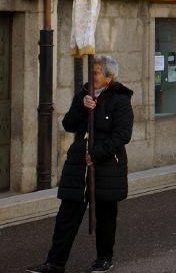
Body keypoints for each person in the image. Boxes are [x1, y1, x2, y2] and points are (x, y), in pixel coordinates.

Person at [28, 56, 133, 273]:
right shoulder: (83, 94)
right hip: (78, 166)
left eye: (95, 72)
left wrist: (95, 154)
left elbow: (123, 135)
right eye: (91, 72)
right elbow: (68, 124)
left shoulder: (120, 99)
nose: (91, 76)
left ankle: (104, 258)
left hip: (106, 167)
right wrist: (82, 107)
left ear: (108, 77)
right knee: (67, 214)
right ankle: (55, 262)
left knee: (105, 215)